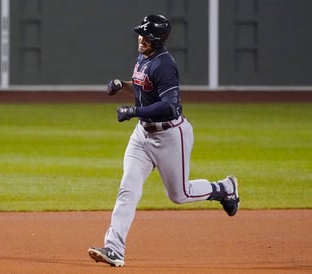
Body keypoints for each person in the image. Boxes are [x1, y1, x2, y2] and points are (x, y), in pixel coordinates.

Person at [87, 14, 239, 267]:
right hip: (142, 136)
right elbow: (142, 88)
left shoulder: (165, 65)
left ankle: (224, 188)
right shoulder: (144, 58)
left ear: (157, 39)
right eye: (140, 33)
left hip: (170, 135)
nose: (141, 38)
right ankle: (114, 249)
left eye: (146, 35)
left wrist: (133, 111)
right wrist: (121, 84)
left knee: (180, 195)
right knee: (128, 189)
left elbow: (169, 107)